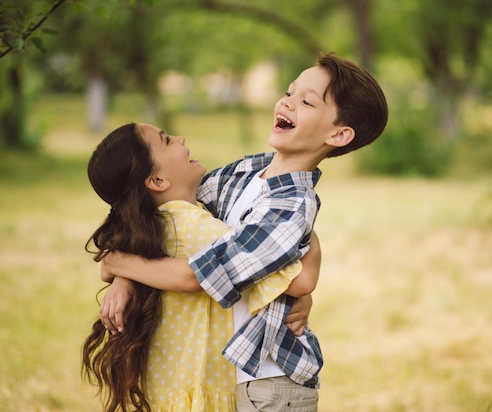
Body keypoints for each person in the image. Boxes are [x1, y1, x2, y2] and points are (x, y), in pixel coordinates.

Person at [101, 52, 388, 412]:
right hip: (230, 378)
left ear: (339, 134)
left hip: (271, 383)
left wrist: (118, 263)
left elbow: (198, 275)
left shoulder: (293, 206)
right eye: (289, 91)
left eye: (306, 101)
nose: (286, 101)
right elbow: (152, 207)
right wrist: (123, 280)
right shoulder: (245, 172)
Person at [82, 122, 321, 412]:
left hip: (172, 388)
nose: (180, 138)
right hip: (202, 389)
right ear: (156, 181)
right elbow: (296, 278)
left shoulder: (153, 228)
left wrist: (119, 270)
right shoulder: (195, 227)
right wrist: (306, 234)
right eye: (167, 140)